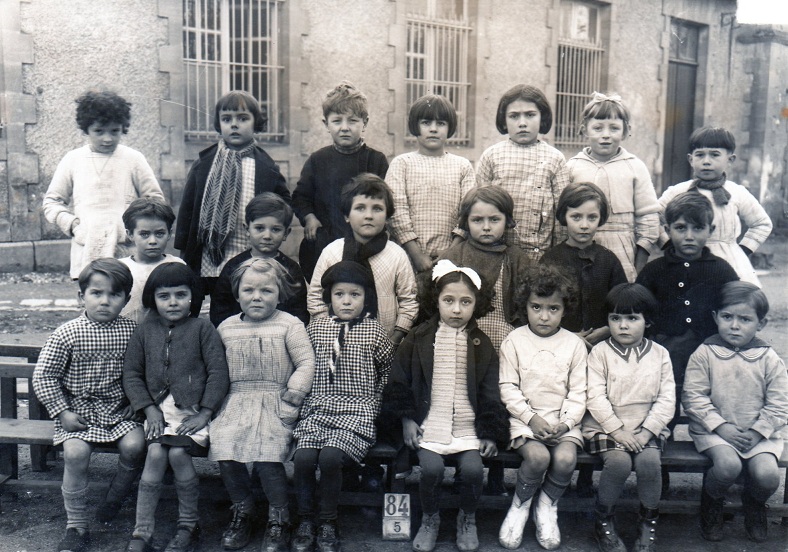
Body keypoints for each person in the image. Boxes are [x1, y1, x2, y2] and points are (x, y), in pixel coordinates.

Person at [384, 260, 509, 552]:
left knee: (474, 470)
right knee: (430, 470)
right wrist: (406, 420)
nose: (456, 309)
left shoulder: (482, 343)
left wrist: (489, 432)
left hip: (467, 428)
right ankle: (430, 518)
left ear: (476, 304)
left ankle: (467, 517)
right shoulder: (418, 338)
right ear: (435, 300)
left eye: (465, 302)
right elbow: (398, 380)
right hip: (428, 425)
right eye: (448, 300)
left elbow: (491, 391)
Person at [32, 258, 146, 552]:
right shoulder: (67, 333)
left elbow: (144, 372)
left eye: (114, 294)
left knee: (135, 445)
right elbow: (45, 376)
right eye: (97, 293)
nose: (105, 301)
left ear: (126, 299)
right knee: (75, 452)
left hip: (119, 410)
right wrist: (62, 411)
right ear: (81, 296)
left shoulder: (132, 331)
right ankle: (77, 526)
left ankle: (115, 497)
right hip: (77, 412)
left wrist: (138, 403)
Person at [210, 258, 315, 552]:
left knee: (269, 459)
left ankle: (279, 517)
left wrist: (295, 390)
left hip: (276, 400)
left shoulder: (289, 325)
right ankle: (243, 510)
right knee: (227, 452)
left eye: (266, 291)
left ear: (280, 294)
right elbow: (216, 369)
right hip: (236, 400)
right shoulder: (227, 328)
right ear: (237, 293)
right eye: (249, 290)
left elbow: (306, 361)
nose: (257, 297)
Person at [123, 263, 229, 552]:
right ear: (152, 299)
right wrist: (148, 408)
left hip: (193, 414)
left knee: (179, 453)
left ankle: (187, 526)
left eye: (181, 295)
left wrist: (206, 412)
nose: (173, 302)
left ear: (193, 297)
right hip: (158, 413)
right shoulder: (145, 330)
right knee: (156, 452)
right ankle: (142, 532)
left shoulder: (202, 328)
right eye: (164, 296)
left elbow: (218, 372)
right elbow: (132, 373)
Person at [292, 261, 394, 552]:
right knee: (303, 459)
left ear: (366, 298)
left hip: (357, 412)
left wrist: (376, 403)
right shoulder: (316, 328)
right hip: (319, 407)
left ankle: (328, 520)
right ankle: (305, 519)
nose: (347, 301)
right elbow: (303, 365)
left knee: (330, 459)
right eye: (339, 294)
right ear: (329, 298)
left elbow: (387, 370)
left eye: (355, 294)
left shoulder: (374, 331)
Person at [683, 281, 788, 544]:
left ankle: (754, 505)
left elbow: (780, 402)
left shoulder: (768, 357)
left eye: (745, 319)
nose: (734, 325)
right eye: (727, 317)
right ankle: (712, 502)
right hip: (715, 432)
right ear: (715, 317)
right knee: (728, 466)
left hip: (758, 434)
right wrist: (721, 427)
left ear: (760, 324)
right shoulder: (705, 353)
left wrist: (758, 431)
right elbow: (693, 397)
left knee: (767, 476)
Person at [175, 90, 291, 313]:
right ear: (219, 124)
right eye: (227, 119)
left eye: (243, 119)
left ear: (256, 122)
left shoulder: (266, 166)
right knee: (213, 304)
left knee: (243, 298)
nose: (234, 125)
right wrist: (184, 247)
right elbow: (188, 207)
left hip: (247, 246)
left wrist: (274, 224)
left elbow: (284, 201)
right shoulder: (205, 163)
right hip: (211, 251)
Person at [498, 264, 587, 551]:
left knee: (564, 460)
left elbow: (579, 392)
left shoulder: (574, 345)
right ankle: (520, 506)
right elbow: (508, 388)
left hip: (563, 421)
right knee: (537, 458)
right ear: (525, 305)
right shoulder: (514, 341)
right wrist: (531, 418)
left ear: (564, 309)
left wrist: (566, 423)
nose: (544, 316)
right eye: (536, 307)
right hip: (525, 419)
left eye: (553, 308)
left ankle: (547, 507)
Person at [582, 284, 675, 552]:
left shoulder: (660, 354)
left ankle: (648, 522)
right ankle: (603, 520)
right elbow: (594, 397)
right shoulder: (600, 353)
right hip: (605, 428)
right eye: (615, 318)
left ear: (648, 321)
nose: (623, 326)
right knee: (619, 462)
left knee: (649, 462)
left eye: (632, 318)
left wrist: (647, 432)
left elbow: (667, 398)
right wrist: (617, 431)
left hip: (646, 428)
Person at [636, 192, 738, 420]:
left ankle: (713, 440)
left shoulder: (721, 270)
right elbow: (639, 309)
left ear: (710, 230)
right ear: (668, 229)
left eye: (698, 228)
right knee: (666, 403)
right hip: (666, 351)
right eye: (681, 228)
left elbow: (736, 306)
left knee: (710, 408)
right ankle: (664, 438)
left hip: (710, 353)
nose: (689, 236)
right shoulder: (654, 270)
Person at [42, 89, 164, 279]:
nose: (107, 138)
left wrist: (136, 228)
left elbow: (155, 200)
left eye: (114, 131)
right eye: (99, 131)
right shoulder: (73, 159)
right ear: (86, 129)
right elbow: (51, 202)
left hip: (127, 250)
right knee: (93, 302)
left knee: (130, 301)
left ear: (122, 127)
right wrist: (73, 225)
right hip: (87, 248)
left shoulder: (133, 159)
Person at [292, 81, 389, 282]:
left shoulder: (375, 160)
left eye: (352, 121)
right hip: (325, 241)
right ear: (325, 124)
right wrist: (309, 217)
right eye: (337, 121)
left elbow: (386, 201)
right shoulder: (318, 160)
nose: (344, 128)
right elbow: (301, 196)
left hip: (365, 242)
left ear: (365, 123)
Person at [307, 174, 418, 345]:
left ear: (387, 216)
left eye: (377, 209)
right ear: (346, 215)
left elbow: (409, 300)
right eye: (360, 208)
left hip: (385, 343)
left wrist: (395, 338)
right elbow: (315, 297)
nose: (369, 215)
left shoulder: (397, 255)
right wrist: (328, 331)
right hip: (337, 343)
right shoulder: (332, 252)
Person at [658, 126, 772, 286]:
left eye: (714, 155)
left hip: (729, 259)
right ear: (691, 160)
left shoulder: (737, 192)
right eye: (700, 155)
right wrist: (668, 243)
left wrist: (744, 249)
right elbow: (653, 218)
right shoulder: (678, 191)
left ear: (730, 160)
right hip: (687, 256)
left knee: (729, 299)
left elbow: (762, 223)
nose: (706, 161)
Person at [565, 92, 661, 281]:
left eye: (614, 128)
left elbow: (648, 217)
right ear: (584, 130)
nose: (606, 135)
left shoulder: (635, 166)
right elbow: (563, 215)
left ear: (625, 131)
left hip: (622, 249)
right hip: (580, 246)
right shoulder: (572, 167)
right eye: (598, 128)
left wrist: (638, 265)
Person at [475, 84, 570, 261]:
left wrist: (558, 254)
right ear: (504, 121)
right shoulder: (492, 156)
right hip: (497, 253)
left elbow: (561, 214)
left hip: (540, 255)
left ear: (542, 118)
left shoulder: (555, 158)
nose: (522, 123)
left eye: (530, 115)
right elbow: (477, 206)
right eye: (514, 116)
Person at [387, 94, 475, 273]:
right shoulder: (402, 163)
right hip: (407, 257)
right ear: (415, 125)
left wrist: (452, 251)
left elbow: (469, 212)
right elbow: (396, 211)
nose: (433, 129)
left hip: (451, 258)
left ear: (450, 127)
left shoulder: (462, 166)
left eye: (441, 123)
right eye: (426, 123)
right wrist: (416, 254)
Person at [541, 182, 627, 350]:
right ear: (564, 217)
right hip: (559, 346)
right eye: (576, 217)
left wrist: (609, 329)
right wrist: (565, 335)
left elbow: (623, 304)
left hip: (604, 346)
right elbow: (541, 305)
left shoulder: (608, 260)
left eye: (592, 217)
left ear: (600, 218)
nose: (584, 225)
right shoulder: (551, 259)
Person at [210, 192, 308, 327]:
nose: (267, 235)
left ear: (286, 233)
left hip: (280, 334)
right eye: (259, 228)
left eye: (275, 229)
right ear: (247, 229)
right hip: (240, 334)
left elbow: (299, 312)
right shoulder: (234, 267)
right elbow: (220, 309)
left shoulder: (291, 270)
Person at [119, 197, 186, 323]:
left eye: (159, 233)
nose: (153, 241)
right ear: (130, 234)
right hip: (127, 334)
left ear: (170, 234)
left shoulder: (177, 265)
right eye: (144, 234)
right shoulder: (121, 268)